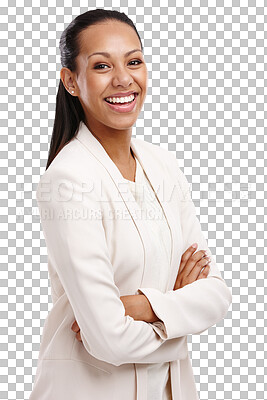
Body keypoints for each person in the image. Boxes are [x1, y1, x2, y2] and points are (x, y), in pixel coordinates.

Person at [29, 8, 232, 400]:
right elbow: (109, 341)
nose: (124, 79)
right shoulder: (69, 180)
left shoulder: (163, 165)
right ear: (71, 81)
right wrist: (180, 315)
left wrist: (140, 307)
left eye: (134, 61)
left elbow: (217, 294)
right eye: (102, 65)